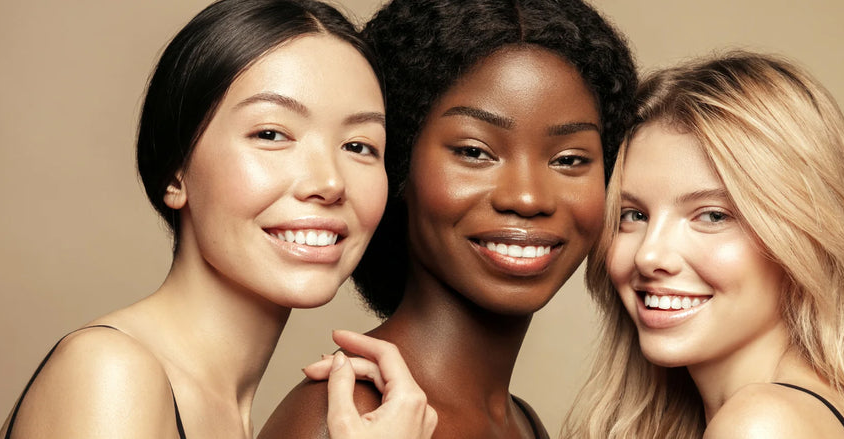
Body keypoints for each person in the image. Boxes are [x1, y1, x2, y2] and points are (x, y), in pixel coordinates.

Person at [0, 0, 435, 437]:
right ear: (176, 171)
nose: (329, 182)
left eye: (359, 146)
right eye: (271, 134)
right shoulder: (111, 374)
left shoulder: (231, 413)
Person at [260, 0, 637, 437]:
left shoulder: (522, 423)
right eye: (475, 152)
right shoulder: (347, 415)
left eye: (569, 159)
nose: (529, 197)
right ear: (398, 164)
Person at [562, 51, 844, 438]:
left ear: (803, 237)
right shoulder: (806, 411)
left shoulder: (762, 425)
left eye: (712, 216)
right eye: (633, 215)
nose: (649, 254)